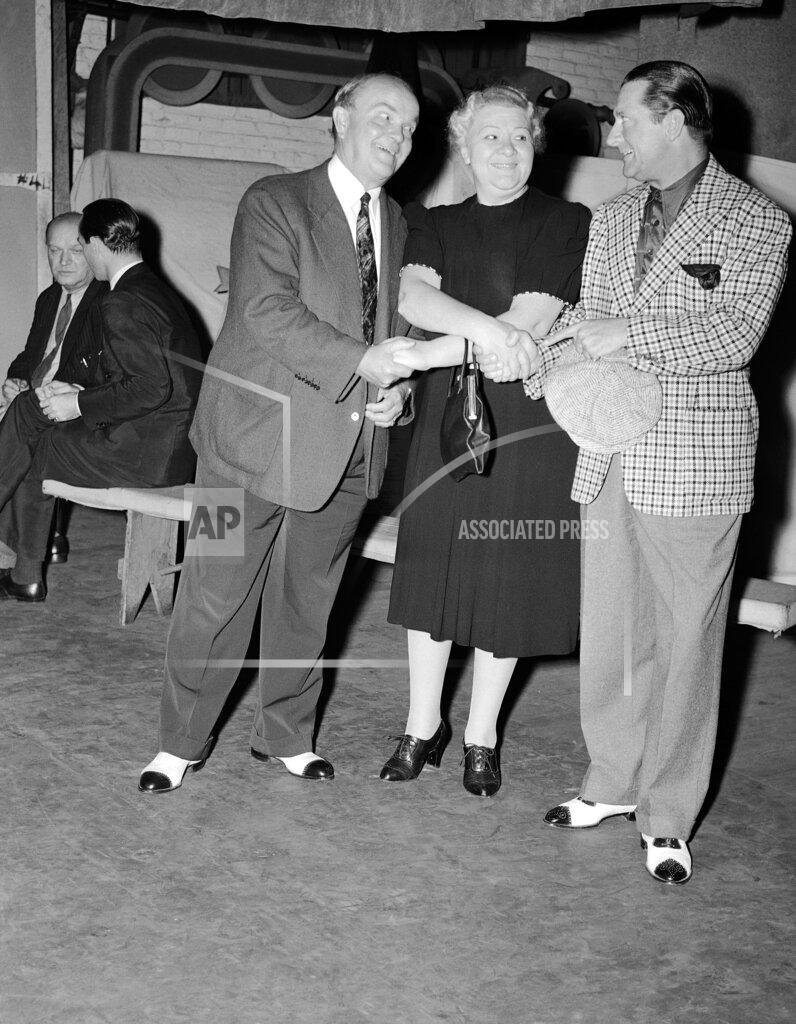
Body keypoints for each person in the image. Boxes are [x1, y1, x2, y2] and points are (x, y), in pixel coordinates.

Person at [528, 61, 790, 884]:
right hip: (610, 451)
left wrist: (628, 335)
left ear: (675, 120)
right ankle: (611, 779)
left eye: (626, 120)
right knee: (612, 632)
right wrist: (534, 357)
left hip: (697, 462)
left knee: (687, 644)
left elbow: (735, 334)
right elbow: (588, 320)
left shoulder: (757, 220)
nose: (614, 137)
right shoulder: (610, 218)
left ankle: (668, 813)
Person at [139, 73, 420, 794]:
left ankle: (287, 735)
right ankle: (179, 741)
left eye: (410, 126)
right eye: (383, 116)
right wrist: (363, 363)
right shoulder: (274, 200)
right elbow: (266, 309)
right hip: (243, 445)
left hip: (347, 453)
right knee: (212, 595)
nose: (397, 135)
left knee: (308, 602)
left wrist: (399, 393)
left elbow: (402, 333)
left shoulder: (401, 224)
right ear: (341, 117)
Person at [379, 85, 591, 797]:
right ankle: (421, 725)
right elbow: (413, 297)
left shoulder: (564, 220)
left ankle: (481, 735)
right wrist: (486, 334)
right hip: (450, 417)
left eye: (520, 137)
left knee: (505, 579)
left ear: (537, 147)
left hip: (526, 423)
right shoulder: (432, 221)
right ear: (464, 149)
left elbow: (531, 318)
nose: (506, 150)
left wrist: (423, 353)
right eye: (491, 137)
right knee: (432, 571)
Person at [0, 198, 202, 602]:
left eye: (79, 247)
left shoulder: (120, 299)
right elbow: (144, 375)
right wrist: (78, 392)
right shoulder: (149, 287)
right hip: (163, 441)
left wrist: (78, 404)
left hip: (146, 455)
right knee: (29, 418)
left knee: (34, 432)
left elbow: (151, 387)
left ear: (95, 244)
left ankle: (25, 574)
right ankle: (24, 576)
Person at [0, 212, 107, 564]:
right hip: (37, 397)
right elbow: (31, 354)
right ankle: (45, 540)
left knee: (23, 434)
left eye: (75, 251)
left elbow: (99, 372)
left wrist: (41, 394)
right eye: (53, 250)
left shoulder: (107, 300)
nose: (63, 261)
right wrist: (17, 379)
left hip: (72, 404)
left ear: (93, 251)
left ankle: (20, 553)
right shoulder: (49, 298)